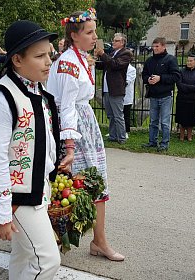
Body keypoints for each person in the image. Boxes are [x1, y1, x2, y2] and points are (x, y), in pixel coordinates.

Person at [0, 20, 61, 279]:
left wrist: (55, 162)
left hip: (37, 187)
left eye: (49, 54)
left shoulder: (37, 90)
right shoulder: (0, 98)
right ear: (16, 59)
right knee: (47, 262)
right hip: (18, 196)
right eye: (39, 56)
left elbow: (42, 137)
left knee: (24, 255)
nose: (48, 61)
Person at [47, 8, 125, 261]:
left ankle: (98, 241)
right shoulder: (68, 62)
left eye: (95, 31)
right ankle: (53, 241)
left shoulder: (79, 58)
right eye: (89, 32)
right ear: (74, 35)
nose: (95, 37)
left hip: (84, 125)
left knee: (93, 183)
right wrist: (69, 146)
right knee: (75, 185)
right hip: (74, 129)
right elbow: (65, 105)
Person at [141, 37, 180, 152]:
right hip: (153, 95)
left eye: (157, 46)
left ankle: (164, 143)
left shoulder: (171, 60)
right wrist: (148, 79)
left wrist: (160, 78)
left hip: (165, 95)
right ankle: (152, 141)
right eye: (153, 46)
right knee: (153, 121)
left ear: (164, 46)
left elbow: (176, 76)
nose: (155, 49)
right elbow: (144, 75)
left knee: (165, 122)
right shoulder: (149, 61)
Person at [95, 33, 132, 144]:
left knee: (118, 115)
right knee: (111, 115)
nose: (113, 42)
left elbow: (115, 65)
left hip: (116, 89)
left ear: (122, 42)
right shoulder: (112, 53)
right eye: (113, 40)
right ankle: (112, 135)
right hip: (107, 88)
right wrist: (97, 58)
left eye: (116, 40)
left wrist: (103, 54)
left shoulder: (126, 53)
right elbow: (104, 65)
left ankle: (121, 137)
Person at [175, 54, 195, 141]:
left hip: (194, 99)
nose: (189, 62)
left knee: (191, 118)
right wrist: (192, 88)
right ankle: (181, 136)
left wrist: (188, 88)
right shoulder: (181, 71)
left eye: (191, 61)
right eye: (188, 60)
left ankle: (189, 136)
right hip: (182, 99)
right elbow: (179, 84)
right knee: (182, 118)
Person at [123, 64, 137, 139]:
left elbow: (127, 81)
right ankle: (116, 130)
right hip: (117, 95)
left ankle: (125, 131)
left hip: (126, 96)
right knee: (117, 114)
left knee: (126, 115)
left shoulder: (132, 69)